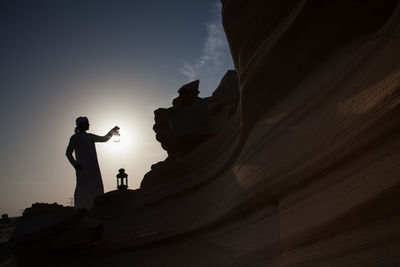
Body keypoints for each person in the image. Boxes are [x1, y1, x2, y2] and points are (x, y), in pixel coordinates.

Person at [66, 116, 119, 209]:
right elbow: (68, 153)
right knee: (83, 188)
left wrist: (112, 131)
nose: (89, 125)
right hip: (82, 168)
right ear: (82, 125)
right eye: (87, 123)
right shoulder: (75, 138)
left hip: (93, 168)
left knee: (96, 187)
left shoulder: (90, 136)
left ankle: (96, 208)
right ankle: (81, 208)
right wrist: (75, 164)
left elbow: (104, 139)